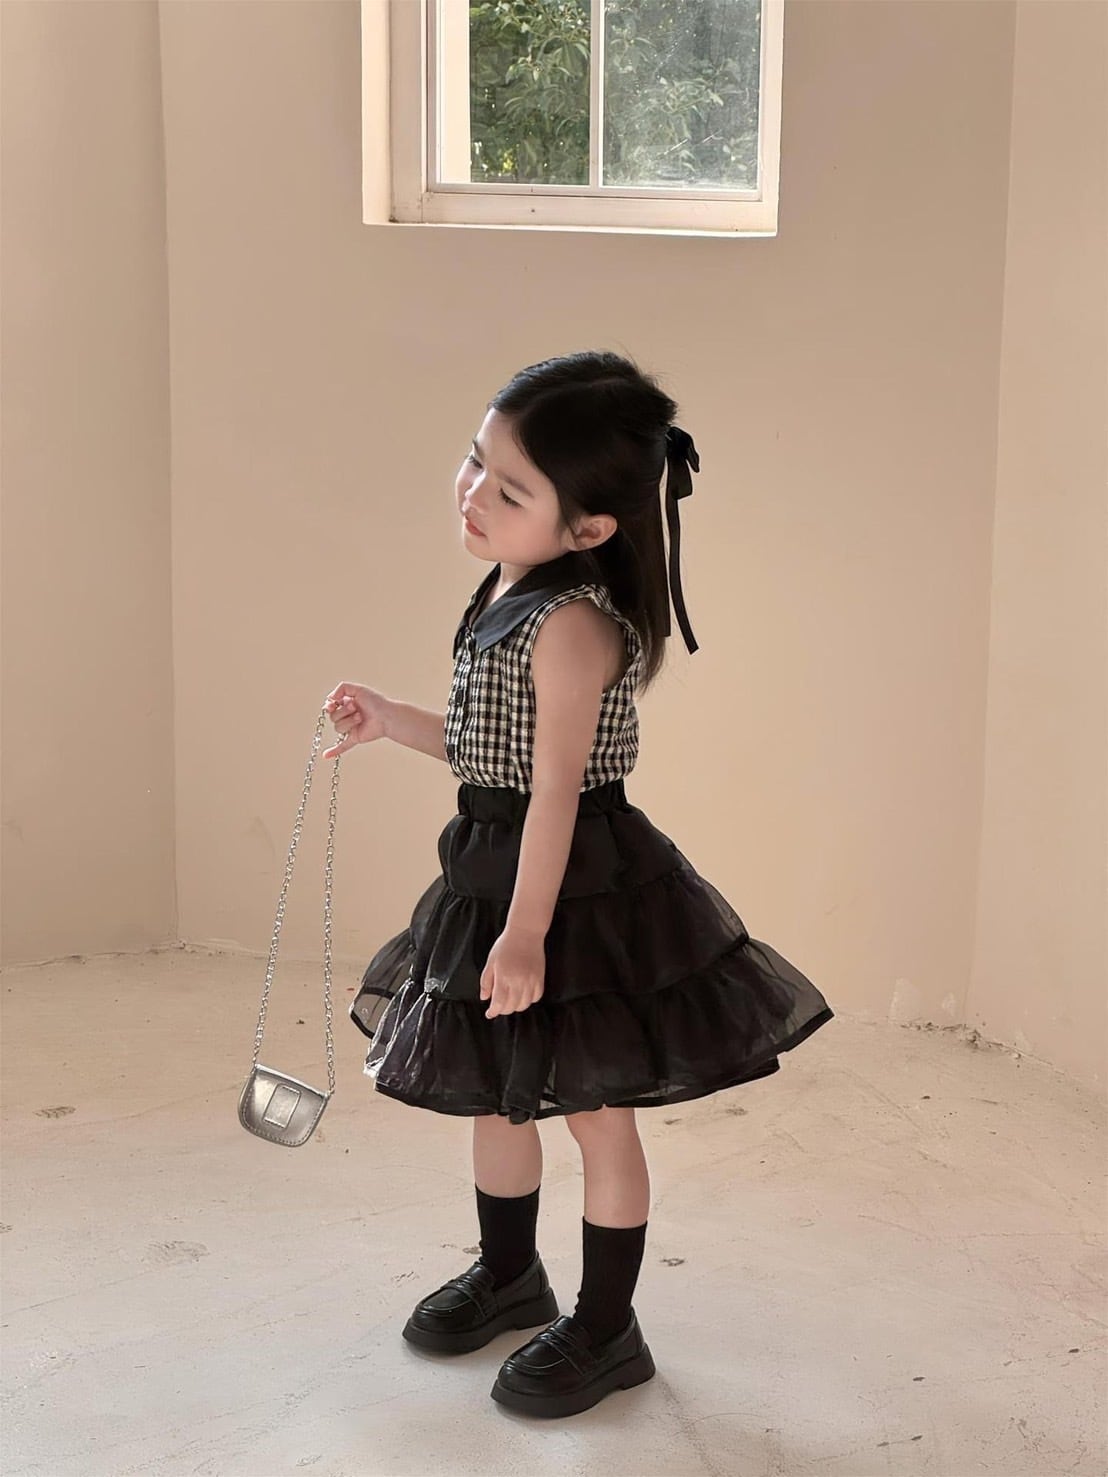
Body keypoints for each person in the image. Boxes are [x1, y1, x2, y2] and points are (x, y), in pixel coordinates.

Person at [323, 350, 834, 1419]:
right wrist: (389, 719)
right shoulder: (506, 587)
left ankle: (608, 1326)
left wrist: (524, 935)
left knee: (594, 1111)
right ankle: (512, 1274)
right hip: (491, 869)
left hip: (574, 891)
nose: (473, 492)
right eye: (475, 460)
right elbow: (490, 752)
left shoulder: (571, 625)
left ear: (590, 527)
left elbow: (555, 792)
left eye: (509, 489)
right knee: (496, 1092)